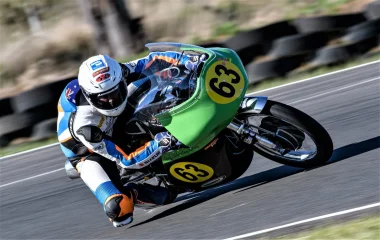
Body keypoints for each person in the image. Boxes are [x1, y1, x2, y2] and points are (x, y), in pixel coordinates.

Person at [57, 52, 199, 227]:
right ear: (90, 96)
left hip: (112, 119)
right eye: (104, 97)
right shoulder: (85, 127)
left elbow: (151, 60)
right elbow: (126, 160)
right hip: (90, 151)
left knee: (160, 80)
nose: (111, 101)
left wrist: (188, 60)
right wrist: (162, 143)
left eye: (115, 93)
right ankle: (133, 193)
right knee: (118, 209)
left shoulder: (116, 74)